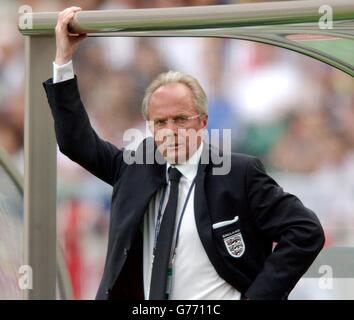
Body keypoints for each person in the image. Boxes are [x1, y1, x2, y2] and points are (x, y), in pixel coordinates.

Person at [43, 7, 325, 300]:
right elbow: (76, 142)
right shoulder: (135, 167)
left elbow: (305, 232)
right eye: (161, 122)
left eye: (181, 119)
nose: (171, 130)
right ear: (150, 127)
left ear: (203, 121)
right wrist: (63, 60)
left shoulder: (237, 173)